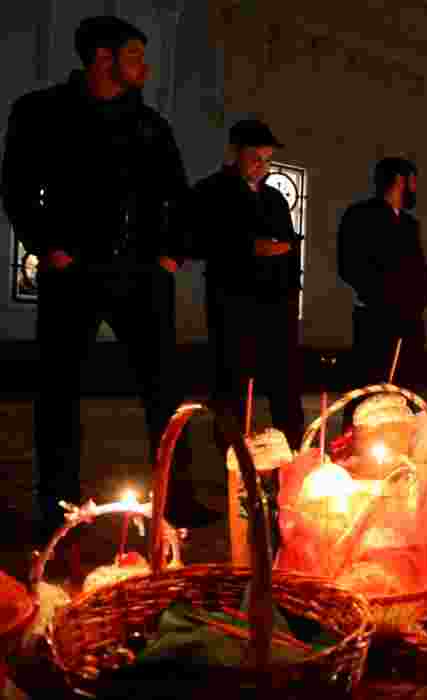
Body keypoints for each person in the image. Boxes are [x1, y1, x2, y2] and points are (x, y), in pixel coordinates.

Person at [0, 16, 216, 539]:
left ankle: (178, 500)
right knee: (58, 393)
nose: (144, 67)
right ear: (102, 58)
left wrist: (172, 255)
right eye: (135, 56)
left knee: (165, 391)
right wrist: (49, 249)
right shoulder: (42, 112)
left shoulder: (150, 124)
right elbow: (18, 186)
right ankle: (56, 512)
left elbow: (178, 196)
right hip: (73, 273)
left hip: (141, 275)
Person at [192, 119, 306, 453]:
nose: (263, 166)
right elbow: (199, 241)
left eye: (267, 159)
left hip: (276, 307)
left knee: (284, 387)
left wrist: (288, 288)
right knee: (232, 387)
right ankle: (232, 459)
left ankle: (293, 456)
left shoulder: (274, 199)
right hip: (234, 306)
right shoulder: (211, 192)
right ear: (234, 154)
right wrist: (248, 248)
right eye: (256, 157)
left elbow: (288, 247)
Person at [338, 158, 427, 389]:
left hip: (409, 320)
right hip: (375, 319)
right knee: (370, 387)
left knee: (404, 388)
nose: (415, 188)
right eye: (413, 181)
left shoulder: (409, 223)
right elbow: (349, 265)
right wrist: (386, 299)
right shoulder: (360, 215)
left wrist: (421, 298)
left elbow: (419, 269)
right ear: (400, 180)